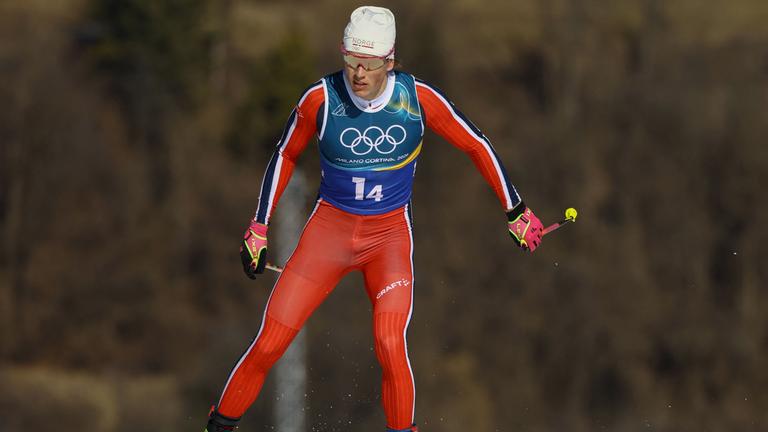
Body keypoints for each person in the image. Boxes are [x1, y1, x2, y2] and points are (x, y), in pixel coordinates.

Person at [205, 6, 543, 432]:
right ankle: (217, 426)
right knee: (270, 342)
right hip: (330, 232)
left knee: (389, 343)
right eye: (349, 61)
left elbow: (477, 145)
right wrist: (258, 227)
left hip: (389, 238)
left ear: (391, 61)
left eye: (369, 64)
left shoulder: (417, 99)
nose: (358, 73)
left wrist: (515, 209)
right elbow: (285, 154)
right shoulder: (321, 99)